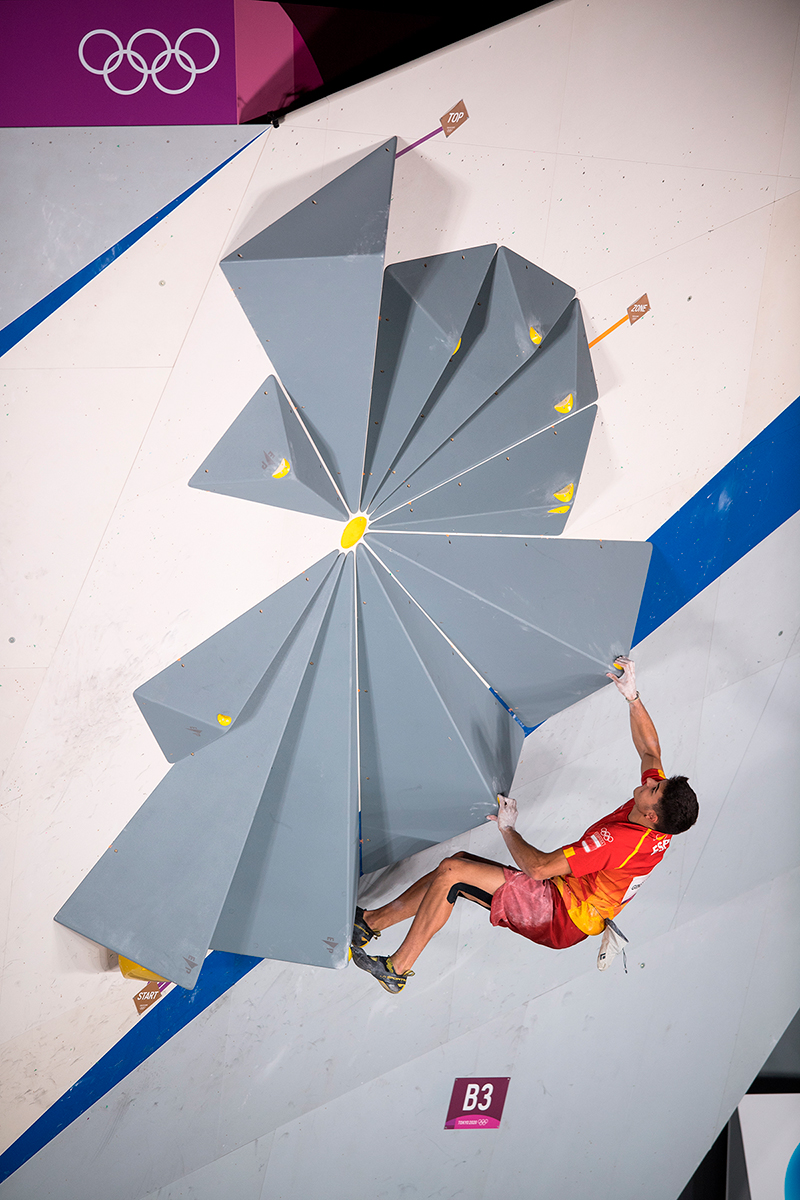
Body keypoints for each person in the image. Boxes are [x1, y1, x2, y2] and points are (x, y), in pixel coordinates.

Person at [350, 655, 699, 993]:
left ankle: (396, 969)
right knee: (455, 867)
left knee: (454, 872)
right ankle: (368, 924)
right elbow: (651, 753)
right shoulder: (657, 817)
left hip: (559, 915)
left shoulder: (618, 841)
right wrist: (632, 697)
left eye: (653, 788)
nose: (649, 781)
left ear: (651, 816)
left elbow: (539, 868)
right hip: (572, 899)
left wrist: (507, 828)